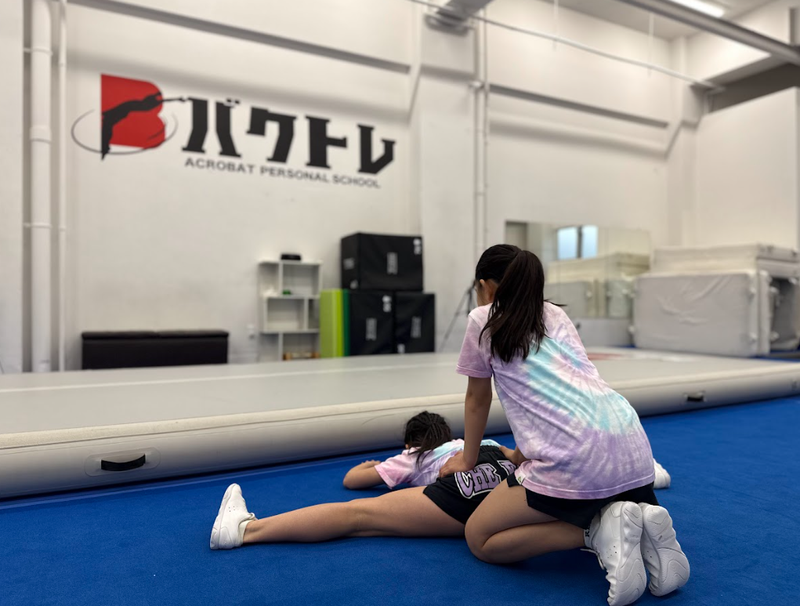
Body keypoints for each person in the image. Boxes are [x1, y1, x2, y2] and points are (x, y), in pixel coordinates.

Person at [438, 244, 689, 606]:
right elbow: (566, 394)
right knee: (599, 487)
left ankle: (593, 532)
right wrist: (520, 455)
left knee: (480, 538)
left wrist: (467, 459)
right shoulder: (554, 313)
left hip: (579, 459)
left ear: (484, 286)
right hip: (633, 448)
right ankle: (644, 525)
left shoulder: (483, 319)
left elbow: (478, 399)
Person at [209, 411, 517, 550]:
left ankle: (245, 531)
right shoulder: (477, 442)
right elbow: (513, 456)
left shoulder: (413, 456)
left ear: (410, 442)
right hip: (502, 478)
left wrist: (368, 465)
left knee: (358, 515)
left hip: (461, 486)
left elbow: (352, 481)